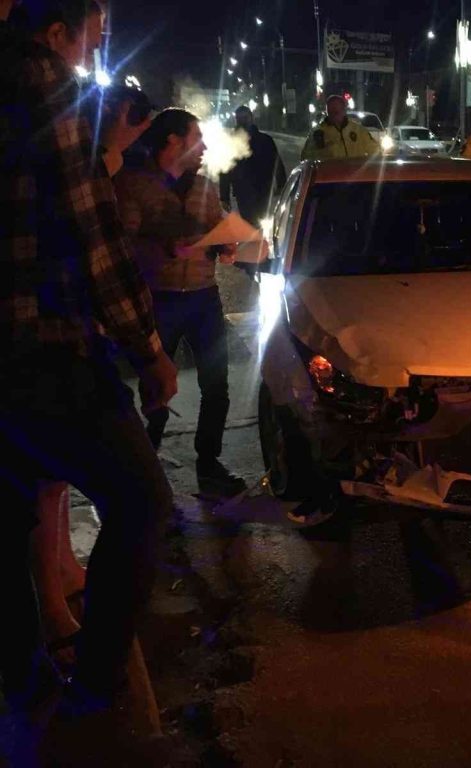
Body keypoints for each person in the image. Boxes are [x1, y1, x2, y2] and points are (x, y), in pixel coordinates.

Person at [0, 0, 177, 716]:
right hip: (46, 350)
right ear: (55, 35)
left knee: (12, 516)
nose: (91, 56)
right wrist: (150, 350)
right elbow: (95, 240)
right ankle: (97, 684)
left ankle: (21, 676)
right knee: (141, 502)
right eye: (92, 39)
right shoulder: (48, 91)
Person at [114, 109, 249, 499]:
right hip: (160, 299)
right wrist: (164, 247)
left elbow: (216, 226)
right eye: (196, 137)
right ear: (172, 142)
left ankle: (209, 465)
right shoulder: (133, 185)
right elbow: (121, 247)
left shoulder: (205, 186)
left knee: (216, 387)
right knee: (158, 387)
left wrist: (226, 245)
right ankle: (147, 474)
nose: (204, 146)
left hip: (205, 298)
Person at [220, 105, 286, 228]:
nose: (243, 121)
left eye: (245, 118)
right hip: (244, 189)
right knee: (250, 221)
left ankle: (257, 241)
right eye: (240, 118)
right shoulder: (231, 142)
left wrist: (282, 184)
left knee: (259, 220)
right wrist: (224, 196)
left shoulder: (265, 140)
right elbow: (225, 170)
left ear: (251, 118)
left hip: (262, 188)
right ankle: (255, 241)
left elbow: (276, 162)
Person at [301, 94, 379, 160]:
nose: (333, 115)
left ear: (343, 111)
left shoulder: (358, 130)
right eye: (330, 112)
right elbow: (305, 158)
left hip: (356, 175)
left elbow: (376, 152)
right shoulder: (318, 133)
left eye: (336, 112)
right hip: (329, 176)